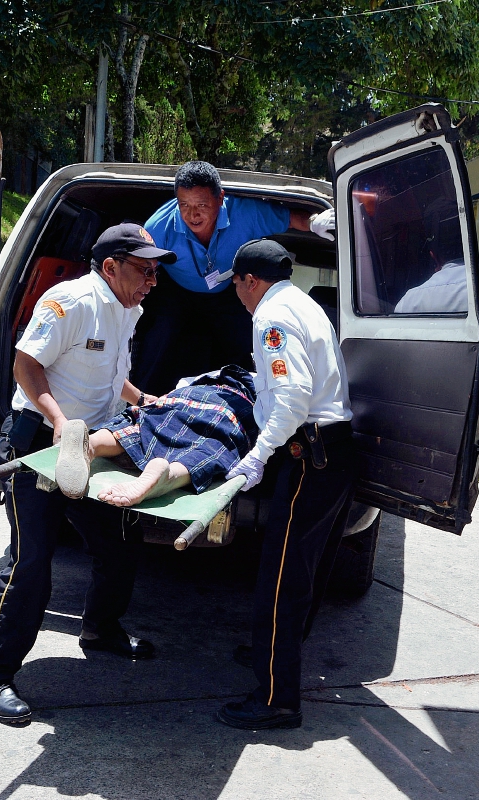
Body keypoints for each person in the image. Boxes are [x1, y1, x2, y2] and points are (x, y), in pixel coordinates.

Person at [0, 223, 176, 727]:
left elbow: (109, 372)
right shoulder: (69, 302)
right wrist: (61, 422)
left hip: (92, 447)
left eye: (156, 270)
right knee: (32, 562)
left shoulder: (127, 308)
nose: (153, 279)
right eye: (144, 269)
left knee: (119, 544)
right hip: (42, 445)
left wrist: (142, 400)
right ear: (111, 268)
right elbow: (26, 365)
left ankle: (101, 629)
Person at [216, 239, 355, 731]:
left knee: (280, 579)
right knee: (304, 573)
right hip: (334, 449)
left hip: (307, 455)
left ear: (250, 280)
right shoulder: (306, 305)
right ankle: (277, 656)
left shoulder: (271, 317)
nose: (237, 294)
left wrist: (258, 455)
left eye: (236, 284)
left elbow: (293, 396)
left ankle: (276, 698)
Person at [133, 161, 336, 395]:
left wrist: (313, 223)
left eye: (201, 205)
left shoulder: (245, 213)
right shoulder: (158, 227)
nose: (192, 214)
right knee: (158, 337)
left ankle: (247, 400)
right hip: (177, 292)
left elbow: (290, 218)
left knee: (243, 342)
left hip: (227, 292)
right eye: (184, 205)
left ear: (220, 198)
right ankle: (141, 403)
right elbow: (142, 267)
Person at [87, 364, 259, 507]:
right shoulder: (262, 389)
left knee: (142, 425)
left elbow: (177, 389)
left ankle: (93, 444)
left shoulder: (202, 378)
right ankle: (169, 477)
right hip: (227, 413)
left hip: (182, 397)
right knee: (211, 448)